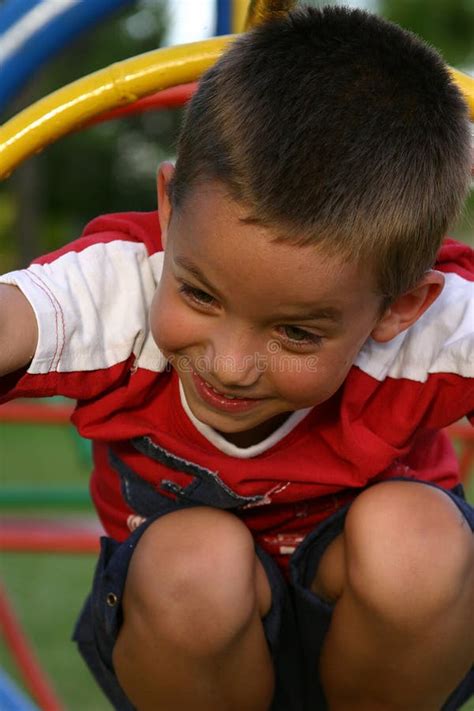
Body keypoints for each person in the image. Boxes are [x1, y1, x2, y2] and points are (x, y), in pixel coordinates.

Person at [0, 5, 473, 710]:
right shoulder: (120, 287)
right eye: (199, 293)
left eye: (296, 334)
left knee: (416, 542)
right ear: (167, 208)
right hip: (185, 636)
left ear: (398, 306)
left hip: (381, 637)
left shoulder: (434, 329)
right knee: (194, 561)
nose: (229, 363)